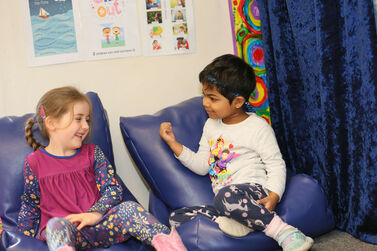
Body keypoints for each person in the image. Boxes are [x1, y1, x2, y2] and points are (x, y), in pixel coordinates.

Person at [159, 54, 314, 251]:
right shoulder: (211, 126)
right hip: (224, 202)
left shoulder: (257, 127)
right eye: (205, 96)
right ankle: (241, 222)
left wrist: (274, 195)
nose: (206, 103)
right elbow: (201, 166)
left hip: (253, 191)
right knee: (176, 217)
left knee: (226, 196)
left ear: (238, 102)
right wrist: (174, 144)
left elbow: (275, 164)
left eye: (213, 98)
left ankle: (285, 232)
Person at [17, 86, 186, 251]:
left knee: (130, 208)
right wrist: (23, 241)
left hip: (100, 226)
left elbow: (113, 190)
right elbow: (30, 208)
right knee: (55, 224)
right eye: (78, 119)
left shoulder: (93, 154)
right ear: (51, 123)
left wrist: (95, 214)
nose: (86, 126)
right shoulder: (34, 163)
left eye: (87, 120)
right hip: (67, 233)